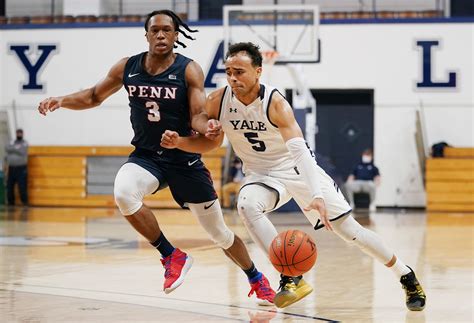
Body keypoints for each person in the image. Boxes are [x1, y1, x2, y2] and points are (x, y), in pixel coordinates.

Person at [161, 42, 426, 311]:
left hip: (296, 169)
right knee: (247, 204)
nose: (232, 78)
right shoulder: (219, 100)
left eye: (239, 71)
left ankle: (406, 275)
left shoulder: (276, 104)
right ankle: (290, 277)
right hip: (261, 174)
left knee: (350, 232)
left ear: (258, 72)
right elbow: (204, 131)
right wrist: (193, 134)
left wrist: (317, 195)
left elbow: (301, 153)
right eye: (229, 71)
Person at [37, 12, 275, 304]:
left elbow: (198, 115)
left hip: (183, 158)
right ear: (146, 35)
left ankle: (255, 277)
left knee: (220, 235)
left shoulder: (189, 70)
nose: (161, 35)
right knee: (124, 193)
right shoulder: (128, 66)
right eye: (155, 30)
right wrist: (60, 100)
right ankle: (171, 255)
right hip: (147, 156)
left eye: (167, 30)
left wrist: (208, 126)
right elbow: (92, 97)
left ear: (176, 35)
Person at [5, 129, 28, 206]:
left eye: (20, 133)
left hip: (21, 169)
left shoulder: (24, 143)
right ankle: (11, 203)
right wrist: (16, 148)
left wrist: (13, 149)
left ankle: (24, 202)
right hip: (11, 168)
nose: (19, 135)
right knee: (10, 186)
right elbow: (7, 148)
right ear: (16, 134)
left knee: (22, 186)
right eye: (18, 133)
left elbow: (22, 151)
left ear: (22, 134)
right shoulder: (12, 142)